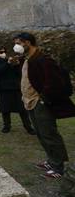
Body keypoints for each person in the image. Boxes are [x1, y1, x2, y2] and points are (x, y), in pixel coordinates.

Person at [15, 32, 75, 179]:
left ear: (28, 43)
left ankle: (58, 167)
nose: (17, 46)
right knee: (41, 133)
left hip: (40, 102)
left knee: (49, 134)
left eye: (19, 42)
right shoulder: (27, 59)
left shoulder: (43, 59)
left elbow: (53, 81)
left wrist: (43, 98)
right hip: (30, 101)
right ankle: (51, 160)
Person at [0, 46, 35, 135]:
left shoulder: (8, 59)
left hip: (16, 87)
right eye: (1, 52)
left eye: (4, 51)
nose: (3, 53)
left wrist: (16, 65)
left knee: (22, 109)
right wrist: (7, 64)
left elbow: (18, 73)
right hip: (3, 88)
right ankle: (6, 126)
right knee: (5, 109)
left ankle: (28, 127)